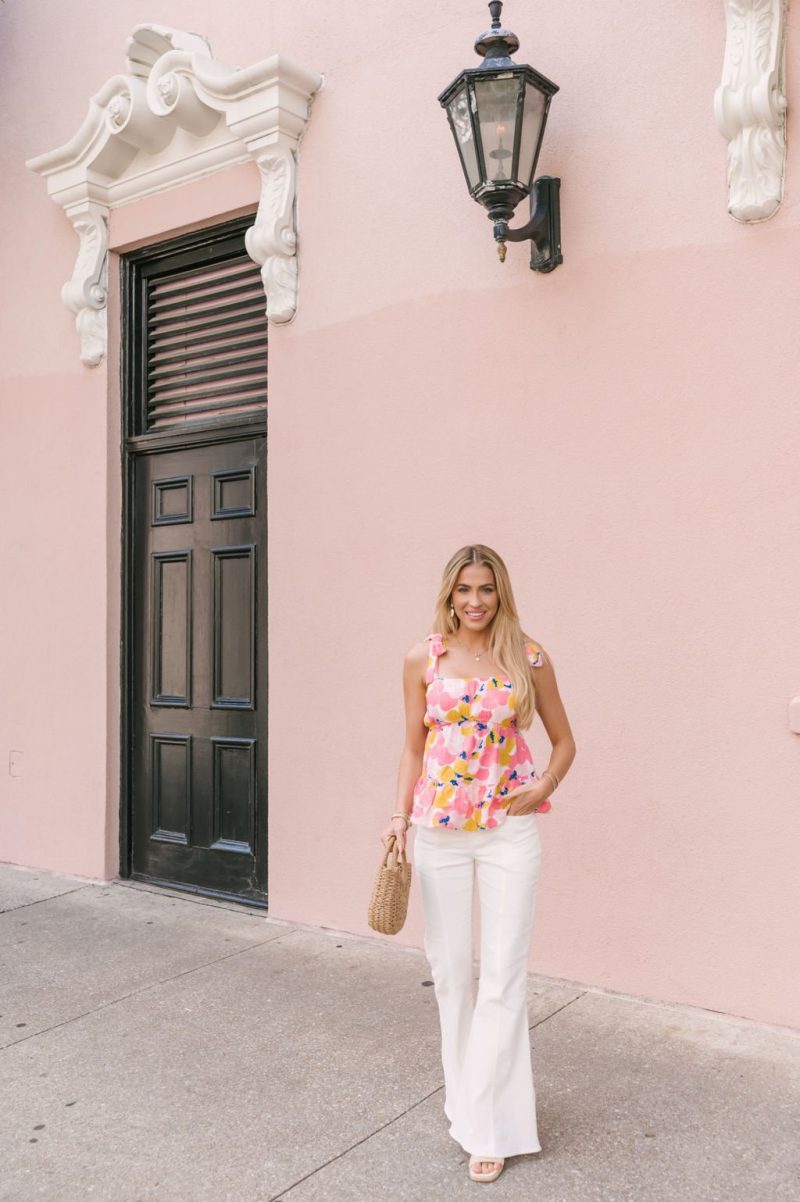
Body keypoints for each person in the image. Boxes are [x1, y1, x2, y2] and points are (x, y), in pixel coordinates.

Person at [380, 544, 576, 1185]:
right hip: (439, 833)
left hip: (508, 833)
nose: (474, 601)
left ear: (501, 594)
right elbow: (414, 748)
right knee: (450, 975)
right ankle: (466, 1103)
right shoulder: (422, 658)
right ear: (449, 592)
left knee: (503, 975)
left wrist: (544, 785)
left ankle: (490, 1128)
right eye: (464, 589)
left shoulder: (529, 655)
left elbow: (565, 739)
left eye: (485, 589)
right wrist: (397, 818)